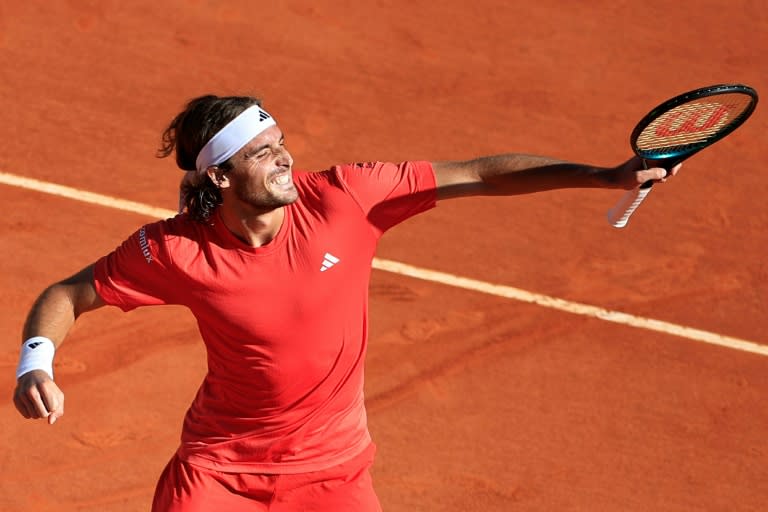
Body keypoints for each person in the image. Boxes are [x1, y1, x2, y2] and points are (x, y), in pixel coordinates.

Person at [12, 94, 679, 511]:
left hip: (333, 473)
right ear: (219, 175)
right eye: (262, 154)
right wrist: (35, 361)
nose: (286, 160)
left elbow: (476, 172)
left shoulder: (344, 198)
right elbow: (69, 293)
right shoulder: (176, 249)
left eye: (281, 145)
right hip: (219, 473)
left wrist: (603, 176)